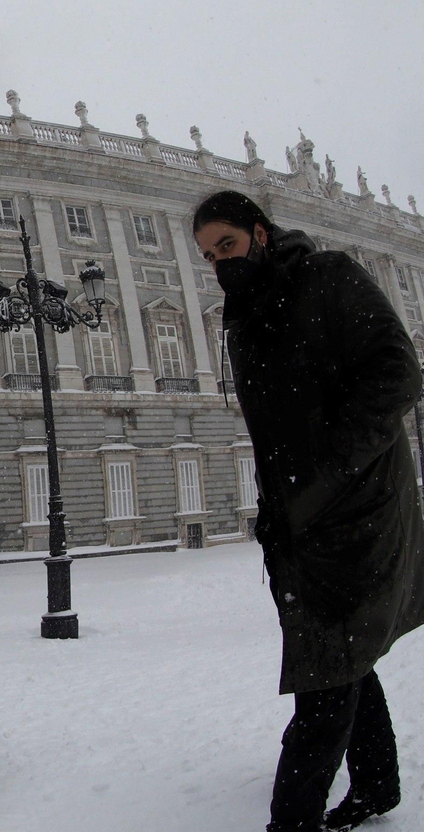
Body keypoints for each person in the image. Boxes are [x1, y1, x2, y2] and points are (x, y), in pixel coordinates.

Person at [192, 191, 424, 832]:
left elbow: (399, 373)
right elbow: (274, 431)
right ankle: (377, 786)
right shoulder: (241, 318)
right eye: (209, 256)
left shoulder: (329, 277)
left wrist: (326, 476)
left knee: (323, 680)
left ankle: (290, 823)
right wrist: (281, 506)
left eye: (228, 246)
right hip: (298, 520)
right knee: (343, 657)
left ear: (261, 235)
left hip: (360, 511)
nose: (220, 263)